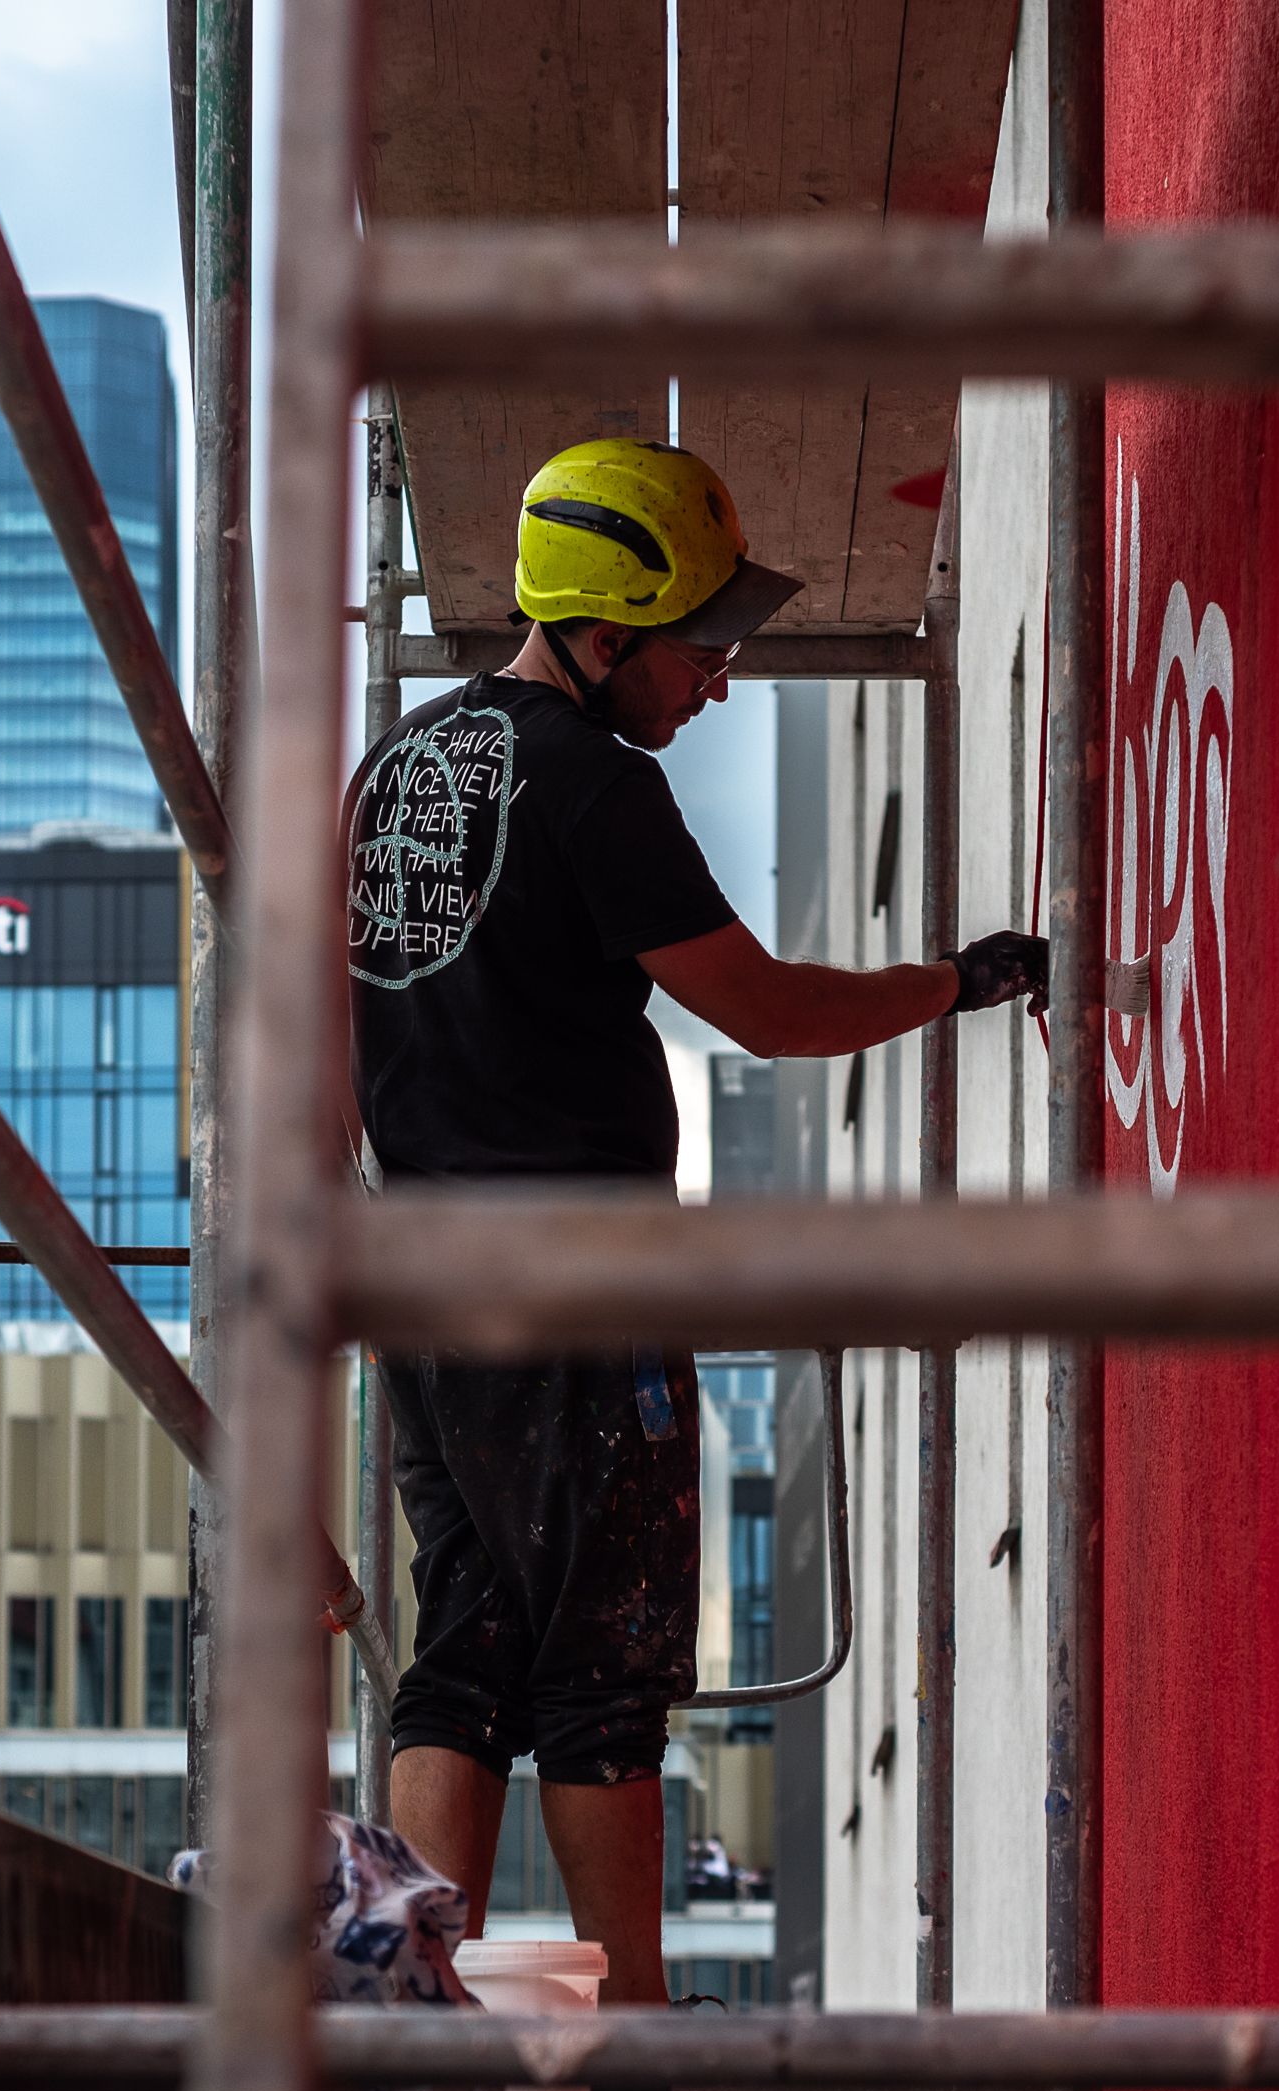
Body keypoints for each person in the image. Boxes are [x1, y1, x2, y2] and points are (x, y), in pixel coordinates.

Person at [346, 438, 1048, 2007]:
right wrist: (959, 980)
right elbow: (773, 1016)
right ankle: (638, 2037)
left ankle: (417, 2008)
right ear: (605, 638)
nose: (718, 682)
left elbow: (332, 1052)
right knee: (601, 1665)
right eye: (701, 647)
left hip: (411, 1272)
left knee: (460, 1641)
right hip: (578, 1280)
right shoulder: (597, 785)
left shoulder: (395, 771)